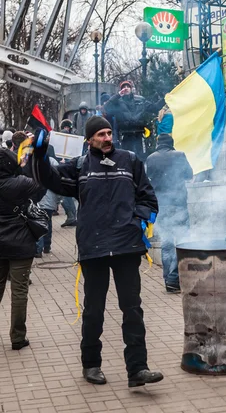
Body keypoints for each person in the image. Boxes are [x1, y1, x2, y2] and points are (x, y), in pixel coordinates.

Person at [32, 116, 163, 389]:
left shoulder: (130, 161)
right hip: (94, 248)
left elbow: (149, 198)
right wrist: (41, 154)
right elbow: (52, 181)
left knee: (133, 310)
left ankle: (138, 369)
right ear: (89, 139)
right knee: (94, 311)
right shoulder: (79, 166)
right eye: (100, 134)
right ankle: (91, 364)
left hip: (127, 247)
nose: (106, 138)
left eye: (108, 133)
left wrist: (136, 220)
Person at [0, 148, 45, 350]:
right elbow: (42, 188)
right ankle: (18, 337)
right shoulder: (21, 183)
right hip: (20, 244)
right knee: (19, 292)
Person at [146, 134, 193, 293]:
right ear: (171, 143)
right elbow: (189, 175)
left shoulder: (151, 158)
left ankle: (168, 278)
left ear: (158, 144)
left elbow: (148, 180)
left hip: (160, 205)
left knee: (166, 243)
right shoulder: (179, 155)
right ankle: (174, 279)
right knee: (180, 241)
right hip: (178, 204)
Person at [104, 80, 162, 161]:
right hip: (125, 135)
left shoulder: (140, 100)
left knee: (140, 158)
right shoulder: (117, 102)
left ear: (131, 89)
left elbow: (154, 108)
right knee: (126, 158)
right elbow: (107, 107)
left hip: (139, 134)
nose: (126, 88)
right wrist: (118, 95)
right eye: (124, 87)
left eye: (128, 86)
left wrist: (165, 98)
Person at [36, 156, 59, 256]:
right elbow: (59, 181)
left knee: (38, 224)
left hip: (36, 200)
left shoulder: (32, 161)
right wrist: (58, 201)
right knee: (48, 223)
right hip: (50, 201)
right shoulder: (52, 161)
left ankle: (38, 249)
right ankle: (46, 246)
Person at [59, 120, 78, 226]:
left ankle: (72, 217)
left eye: (67, 128)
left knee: (65, 195)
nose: (66, 129)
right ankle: (72, 216)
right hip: (69, 168)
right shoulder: (73, 137)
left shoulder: (70, 138)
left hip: (67, 169)